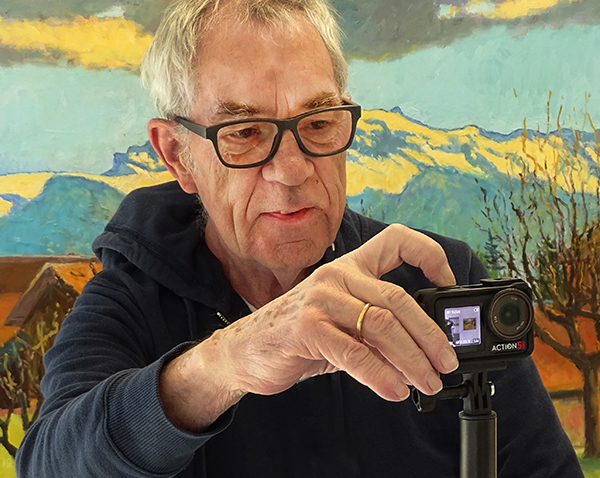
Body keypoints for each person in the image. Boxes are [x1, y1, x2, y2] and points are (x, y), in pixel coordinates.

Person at [16, 0, 583, 476]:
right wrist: (229, 359)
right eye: (244, 132)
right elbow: (47, 463)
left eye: (318, 123)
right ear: (177, 154)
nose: (291, 170)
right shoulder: (127, 301)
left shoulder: (439, 276)